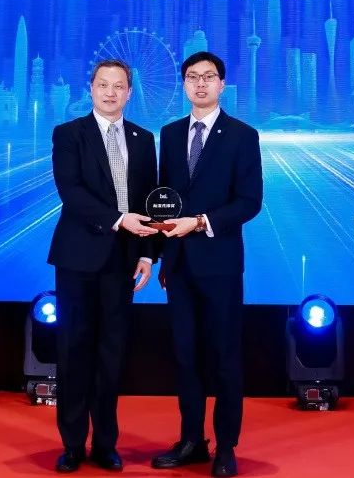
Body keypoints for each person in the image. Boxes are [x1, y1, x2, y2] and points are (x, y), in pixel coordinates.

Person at [151, 51, 263, 478]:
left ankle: (226, 447)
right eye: (192, 77)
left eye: (209, 77)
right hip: (178, 266)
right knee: (186, 357)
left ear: (222, 84)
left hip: (220, 265)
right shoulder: (169, 134)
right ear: (183, 84)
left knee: (225, 357)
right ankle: (191, 441)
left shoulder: (242, 136)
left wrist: (199, 222)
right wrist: (159, 254)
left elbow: (249, 202)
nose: (200, 83)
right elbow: (163, 200)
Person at [47, 59, 159, 472]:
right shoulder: (69, 134)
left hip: (124, 261)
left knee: (112, 354)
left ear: (129, 92)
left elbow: (150, 199)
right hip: (78, 258)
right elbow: (71, 192)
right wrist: (117, 219)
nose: (110, 93)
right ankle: (73, 445)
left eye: (119, 86)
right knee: (74, 351)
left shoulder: (144, 139)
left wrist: (148, 253)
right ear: (91, 88)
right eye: (103, 85)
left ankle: (106, 444)